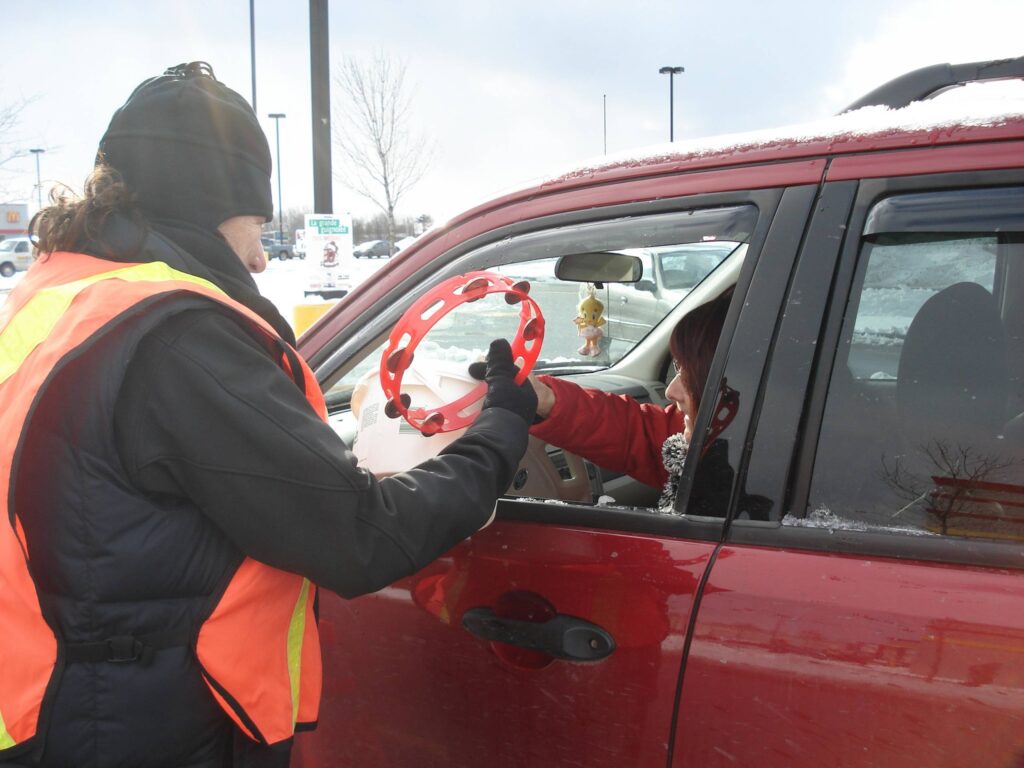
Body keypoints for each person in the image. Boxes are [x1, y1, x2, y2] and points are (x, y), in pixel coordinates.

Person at [0, 62, 535, 767]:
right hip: (139, 725)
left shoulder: (66, 295)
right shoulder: (177, 338)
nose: (258, 257)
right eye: (254, 222)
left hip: (57, 699)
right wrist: (497, 435)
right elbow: (359, 535)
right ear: (207, 205)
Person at [530, 288, 734, 511]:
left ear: (736, 386)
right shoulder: (712, 440)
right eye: (678, 367)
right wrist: (546, 399)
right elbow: (642, 436)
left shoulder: (737, 474)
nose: (670, 392)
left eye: (694, 375)